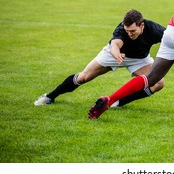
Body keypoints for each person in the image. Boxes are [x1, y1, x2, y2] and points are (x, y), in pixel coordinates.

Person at [34, 9, 166, 107]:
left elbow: (171, 40)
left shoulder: (154, 29)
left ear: (141, 26)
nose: (129, 34)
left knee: (159, 83)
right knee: (84, 77)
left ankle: (118, 103)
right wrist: (117, 54)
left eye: (132, 31)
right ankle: (50, 97)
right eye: (127, 31)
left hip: (139, 59)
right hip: (113, 55)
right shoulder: (121, 29)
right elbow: (115, 45)